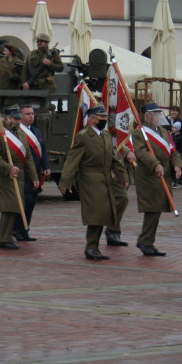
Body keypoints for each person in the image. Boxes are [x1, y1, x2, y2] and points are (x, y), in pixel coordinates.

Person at [59, 105, 125, 260]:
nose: (104, 119)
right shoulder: (84, 136)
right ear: (92, 118)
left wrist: (123, 178)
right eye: (101, 117)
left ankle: (94, 247)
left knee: (103, 214)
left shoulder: (106, 135)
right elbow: (72, 160)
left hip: (106, 180)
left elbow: (113, 159)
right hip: (90, 180)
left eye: (105, 117)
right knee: (96, 215)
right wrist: (65, 182)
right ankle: (91, 248)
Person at [131, 103, 182, 256]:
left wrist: (178, 165)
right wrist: (155, 164)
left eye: (160, 114)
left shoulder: (163, 132)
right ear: (147, 116)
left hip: (163, 175)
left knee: (157, 209)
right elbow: (141, 152)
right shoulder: (139, 133)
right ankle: (145, 241)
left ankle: (149, 242)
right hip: (149, 176)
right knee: (152, 209)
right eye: (156, 114)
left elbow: (172, 150)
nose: (159, 117)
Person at [0, 107, 39, 251]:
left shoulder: (22, 134)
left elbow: (28, 157)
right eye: (15, 119)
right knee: (9, 206)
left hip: (19, 175)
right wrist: (8, 168)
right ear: (7, 119)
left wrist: (34, 176)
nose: (18, 121)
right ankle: (4, 238)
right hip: (4, 176)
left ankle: (7, 236)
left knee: (16, 206)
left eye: (19, 119)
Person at [14, 104, 51, 242]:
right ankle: (16, 229)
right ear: (20, 116)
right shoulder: (16, 132)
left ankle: (25, 230)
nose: (31, 116)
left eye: (32, 114)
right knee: (24, 201)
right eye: (27, 114)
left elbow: (43, 149)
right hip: (23, 173)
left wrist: (46, 165)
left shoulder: (36, 131)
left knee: (31, 203)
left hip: (36, 172)